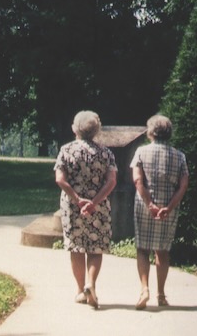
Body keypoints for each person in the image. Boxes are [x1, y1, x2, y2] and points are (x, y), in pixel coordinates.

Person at [54, 111, 117, 309]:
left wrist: (78, 199)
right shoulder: (106, 153)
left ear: (75, 128)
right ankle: (91, 283)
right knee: (95, 247)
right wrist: (94, 201)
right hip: (98, 207)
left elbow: (60, 179)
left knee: (76, 247)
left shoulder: (66, 150)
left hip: (73, 208)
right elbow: (111, 181)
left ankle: (80, 290)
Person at [130, 115, 189, 310]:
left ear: (151, 132)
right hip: (168, 208)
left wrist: (150, 204)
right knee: (162, 251)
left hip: (145, 205)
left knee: (142, 248)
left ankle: (144, 289)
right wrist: (169, 207)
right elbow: (183, 185)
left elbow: (138, 180)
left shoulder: (141, 151)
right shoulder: (179, 156)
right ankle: (161, 294)